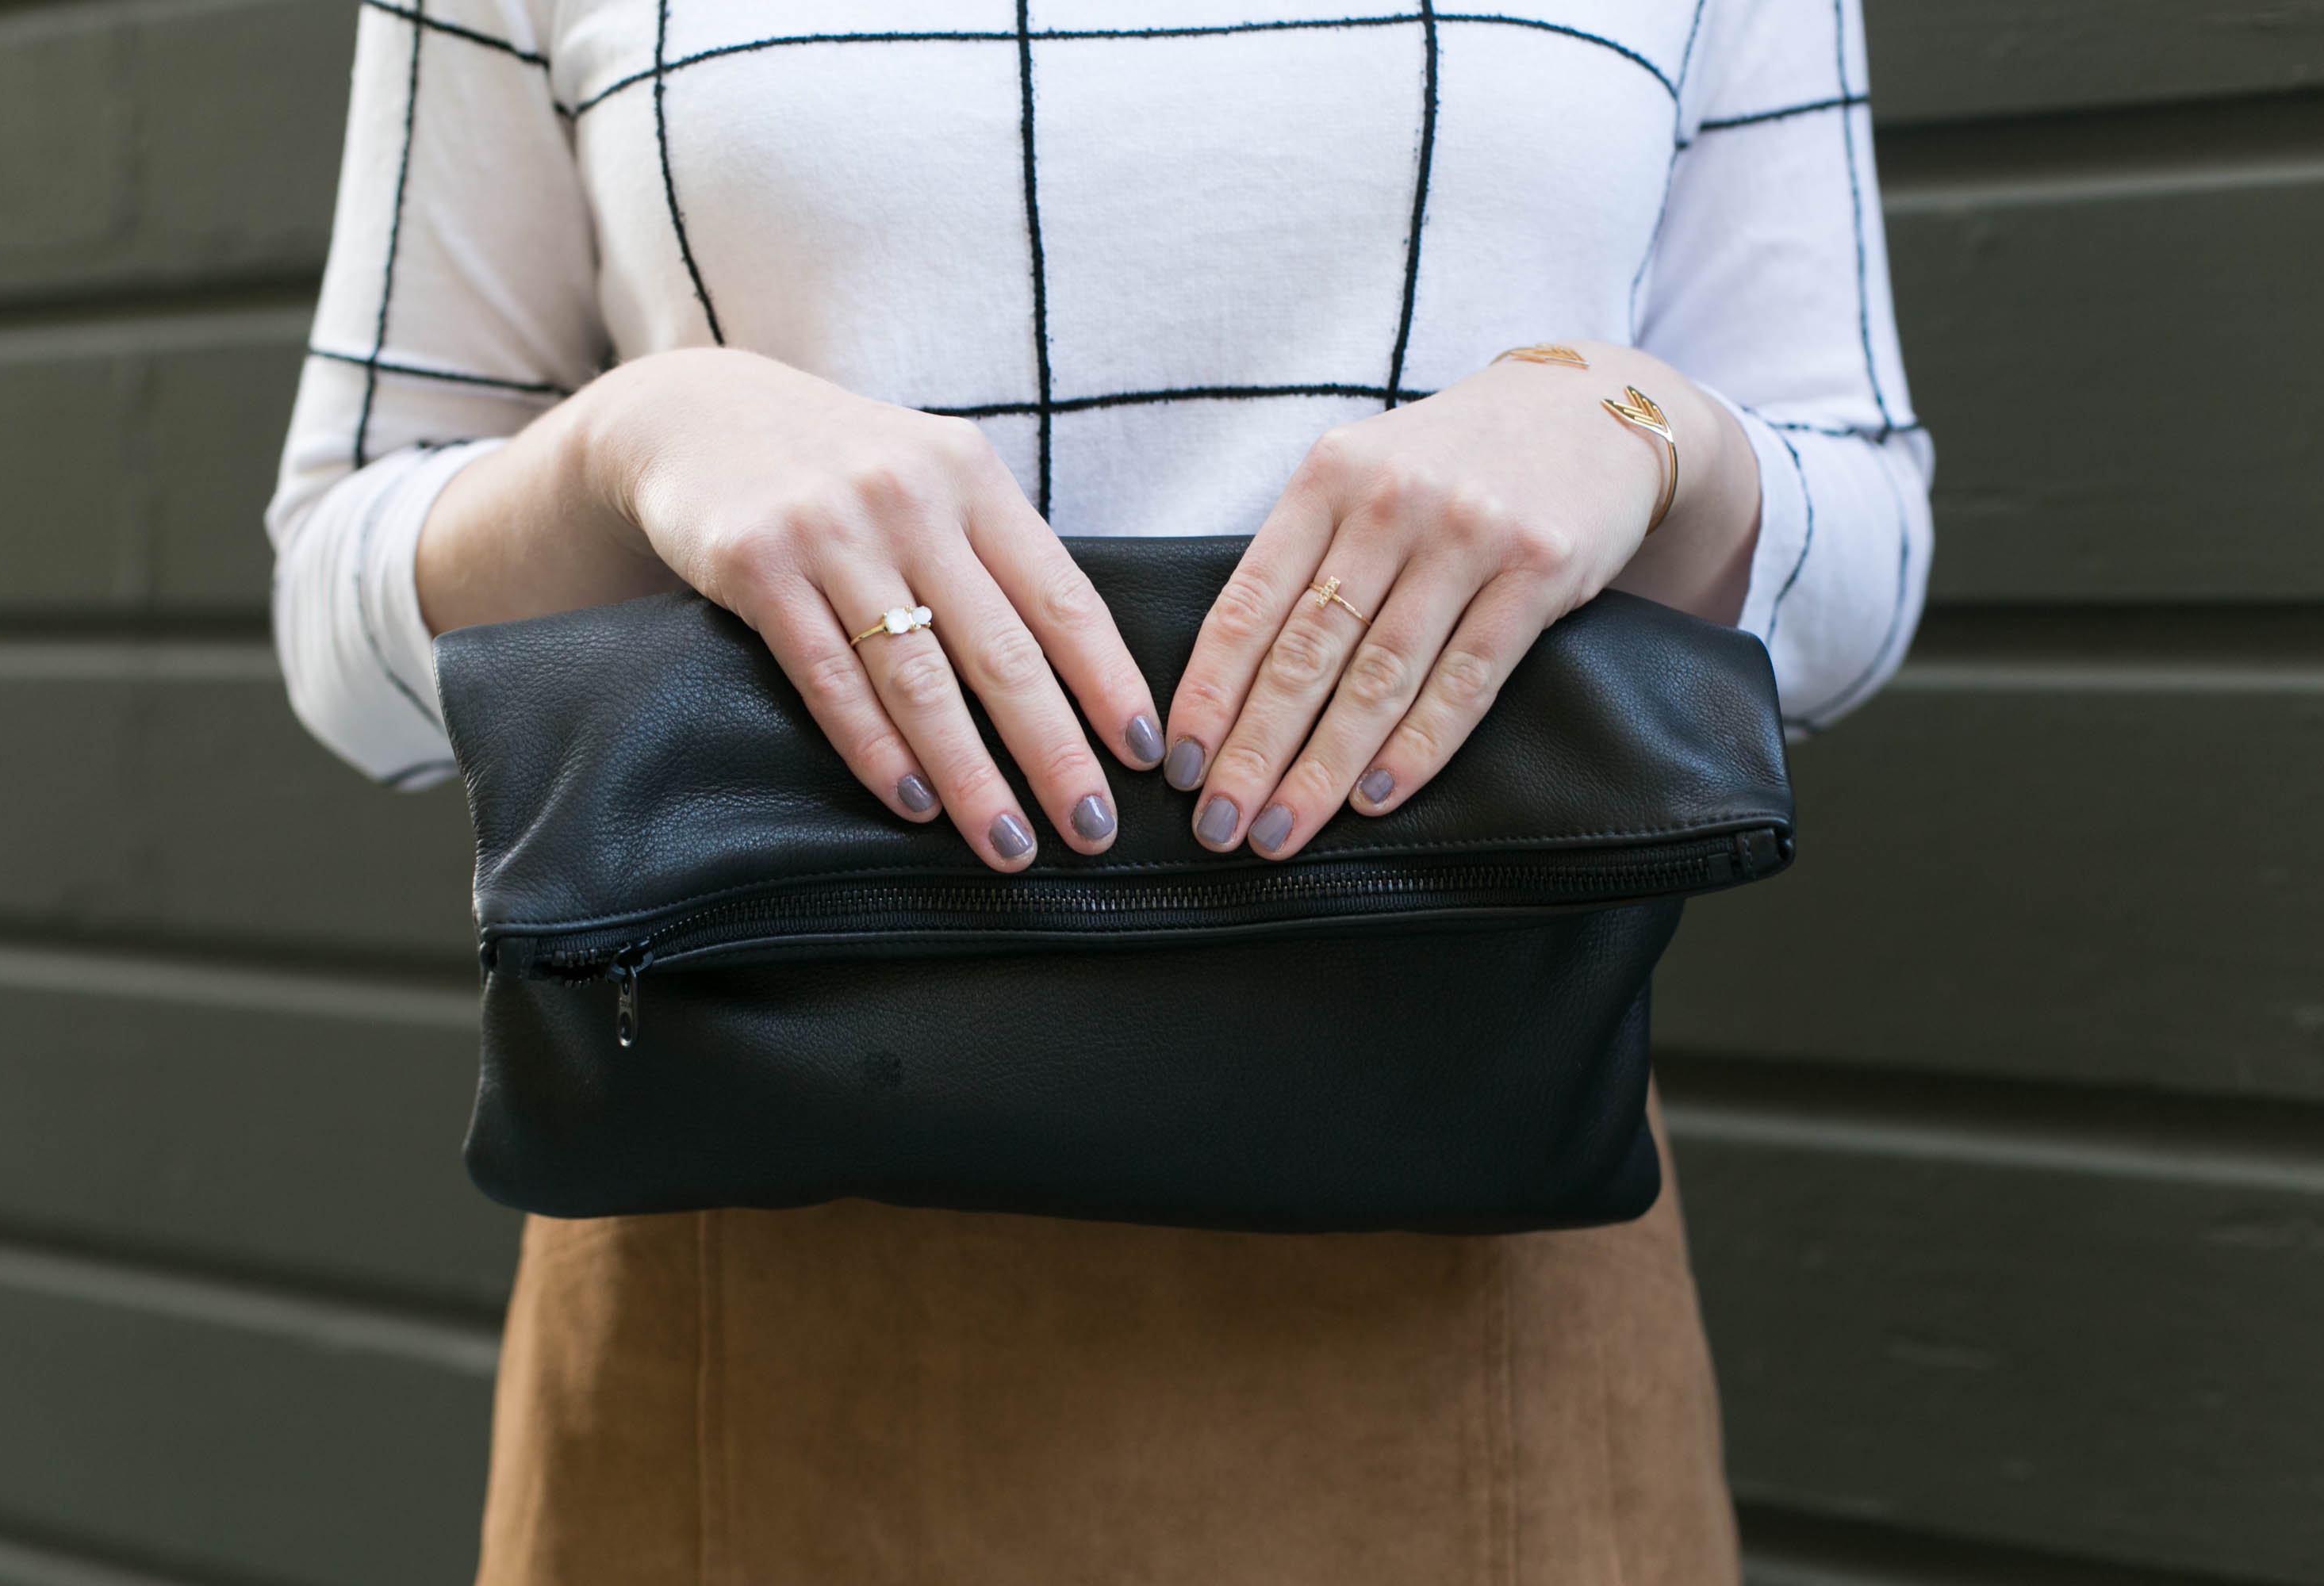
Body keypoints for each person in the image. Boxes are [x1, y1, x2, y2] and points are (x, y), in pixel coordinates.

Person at [269, 1, 1930, 1579]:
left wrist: (1633, 423)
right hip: (739, 1301)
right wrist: (632, 438)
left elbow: (1857, 549)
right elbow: (344, 623)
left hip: (1475, 1294)